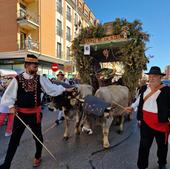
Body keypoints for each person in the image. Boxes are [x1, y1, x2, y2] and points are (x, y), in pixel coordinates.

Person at [0, 54, 74, 169]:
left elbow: (52, 88)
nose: (36, 67)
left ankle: (38, 156)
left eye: (37, 65)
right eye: (34, 65)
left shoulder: (40, 79)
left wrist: (65, 89)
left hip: (35, 114)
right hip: (20, 114)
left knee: (38, 137)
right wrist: (11, 106)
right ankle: (6, 164)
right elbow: (8, 96)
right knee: (14, 140)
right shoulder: (17, 80)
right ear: (26, 65)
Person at [125, 66, 170, 169]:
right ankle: (142, 166)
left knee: (162, 147)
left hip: (162, 124)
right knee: (144, 147)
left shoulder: (167, 90)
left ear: (160, 78)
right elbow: (139, 100)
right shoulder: (144, 88)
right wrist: (132, 107)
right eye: (150, 76)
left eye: (155, 76)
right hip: (146, 123)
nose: (152, 78)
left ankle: (162, 163)